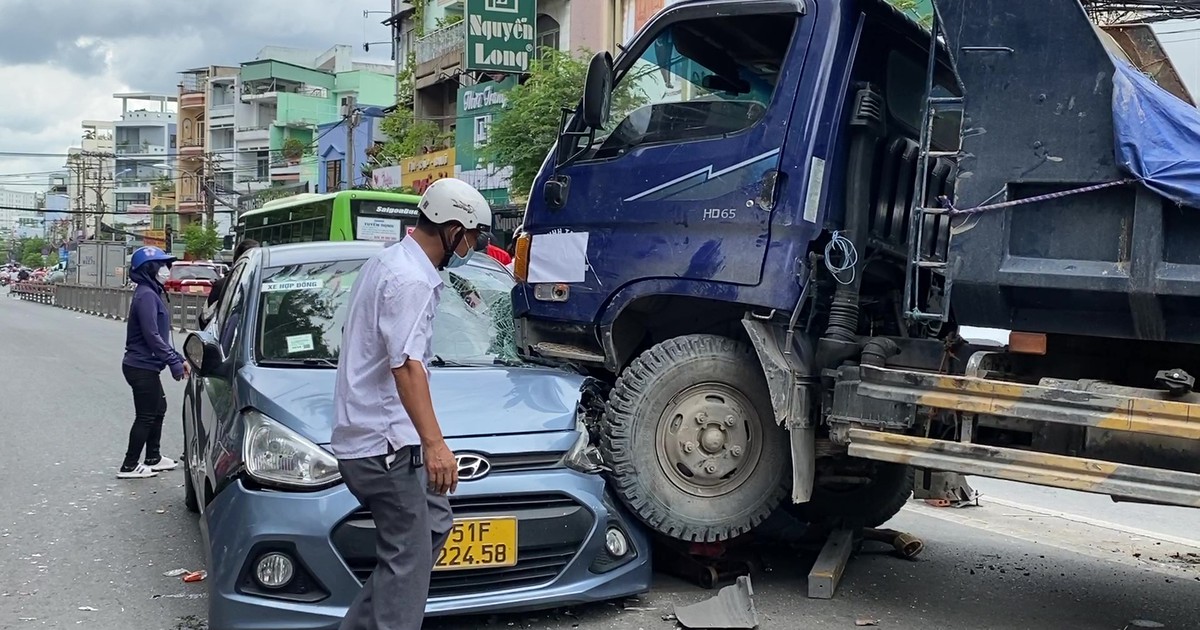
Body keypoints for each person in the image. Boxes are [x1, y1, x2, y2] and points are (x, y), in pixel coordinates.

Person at [332, 178, 492, 630]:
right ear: (453, 229)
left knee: (434, 523)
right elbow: (405, 366)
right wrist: (435, 444)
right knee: (409, 558)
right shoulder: (410, 280)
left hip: (384, 438)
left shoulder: (391, 262)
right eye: (473, 236)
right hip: (383, 445)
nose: (473, 246)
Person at [119, 246, 189, 479]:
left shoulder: (151, 292)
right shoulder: (146, 295)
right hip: (140, 366)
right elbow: (152, 336)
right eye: (161, 265)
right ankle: (129, 465)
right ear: (149, 269)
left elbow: (159, 338)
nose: (166, 270)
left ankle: (153, 457)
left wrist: (178, 358)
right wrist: (174, 363)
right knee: (146, 415)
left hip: (146, 365)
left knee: (159, 409)